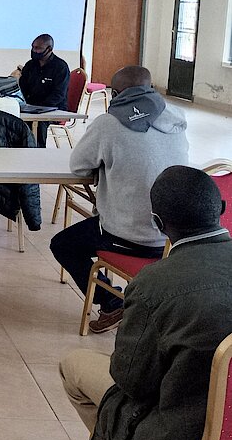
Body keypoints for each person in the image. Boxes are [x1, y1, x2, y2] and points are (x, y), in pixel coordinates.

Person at [59, 165, 232, 440]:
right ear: (222, 209)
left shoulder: (155, 284)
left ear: (157, 223)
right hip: (225, 437)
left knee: (73, 366)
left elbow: (131, 380)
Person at [51, 66, 188, 333]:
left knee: (63, 245)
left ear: (115, 94)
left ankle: (112, 303)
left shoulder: (108, 123)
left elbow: (79, 166)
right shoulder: (176, 116)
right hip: (172, 239)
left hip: (128, 237)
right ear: (150, 89)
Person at [19, 34, 70, 146]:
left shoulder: (61, 67)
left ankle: (38, 151)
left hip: (54, 108)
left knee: (39, 123)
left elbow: (59, 94)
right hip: (31, 106)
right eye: (33, 47)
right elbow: (22, 88)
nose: (34, 51)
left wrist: (40, 108)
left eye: (38, 48)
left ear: (49, 49)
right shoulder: (30, 65)